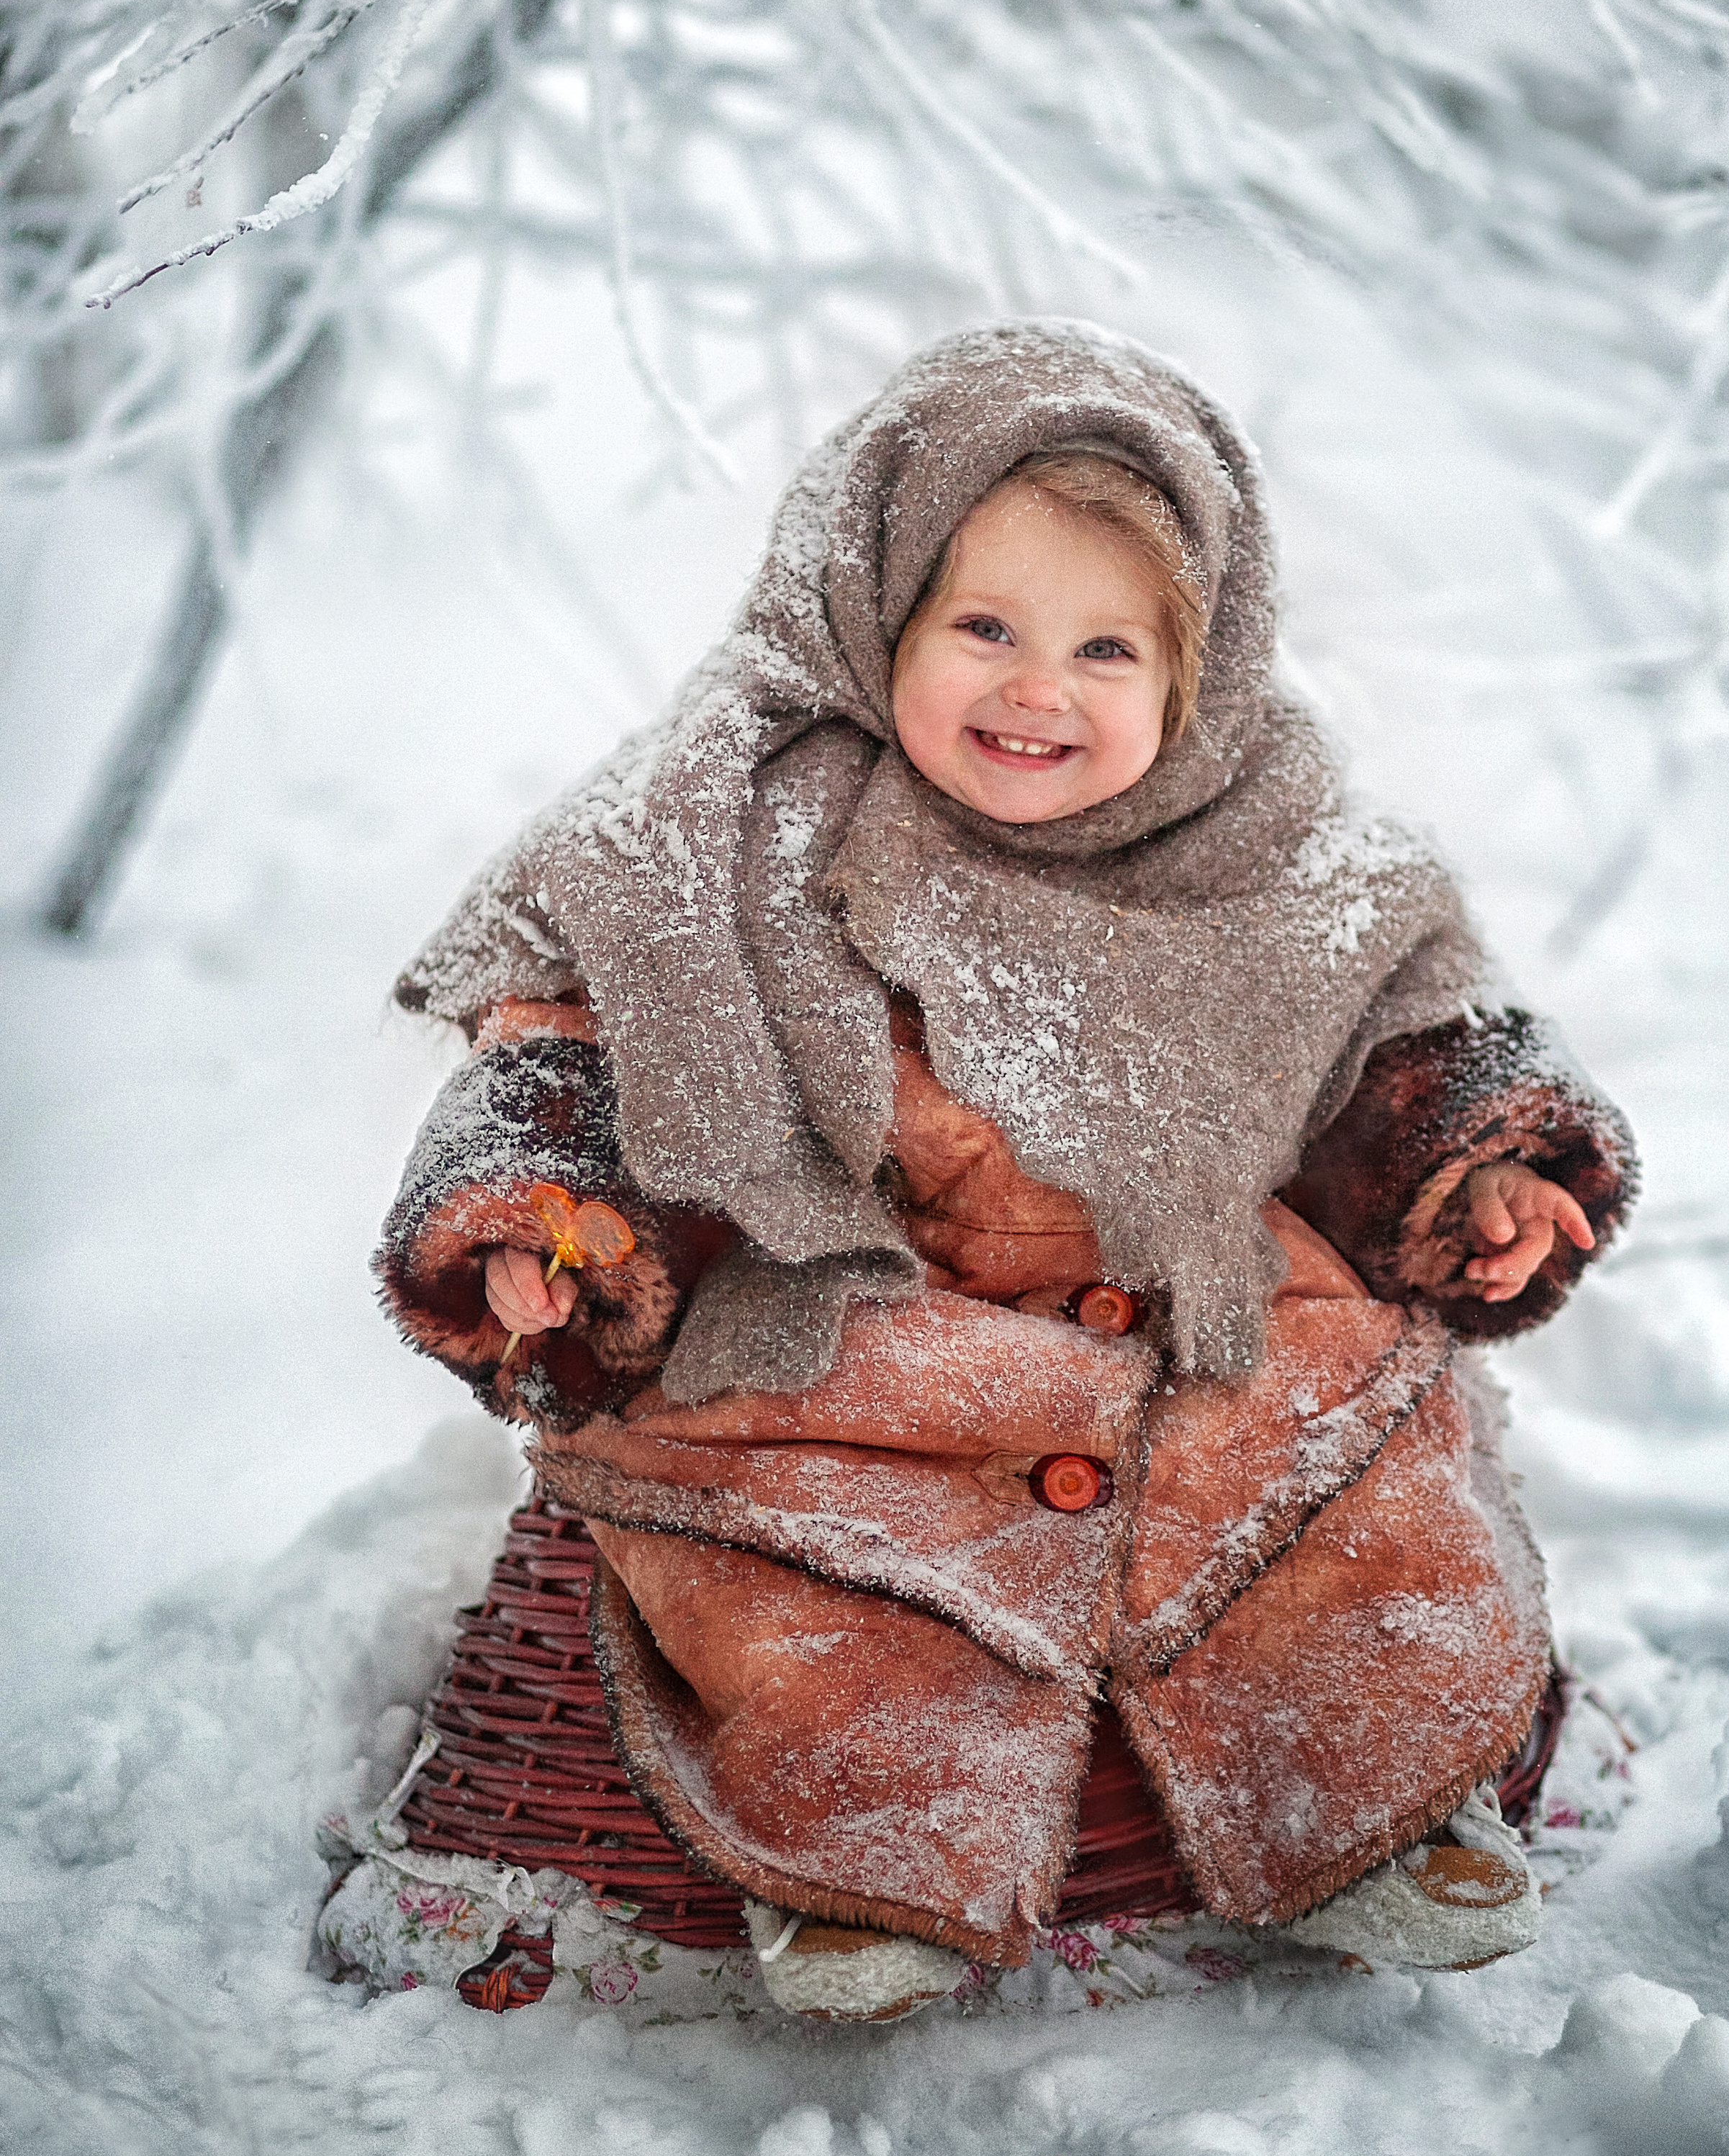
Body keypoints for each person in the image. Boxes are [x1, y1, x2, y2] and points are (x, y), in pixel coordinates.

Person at [379, 322, 1633, 2021]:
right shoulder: (711, 823)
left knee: (1352, 1462)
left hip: (1206, 1295)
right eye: (980, 627)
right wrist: (544, 1218)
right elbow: (575, 1041)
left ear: (1198, 677)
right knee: (797, 1533)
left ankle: (1373, 1803)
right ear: (870, 608)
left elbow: (1386, 1041)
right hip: (866, 1316)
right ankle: (858, 1858)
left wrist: (1474, 1167)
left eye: (1106, 648)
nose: (1037, 689)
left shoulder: (1276, 838)